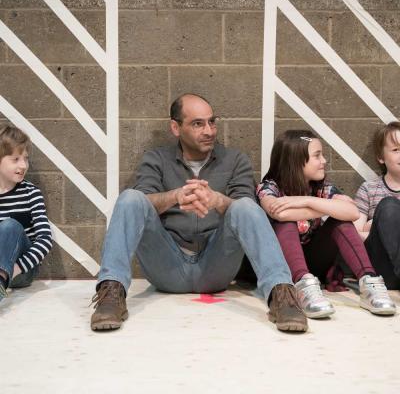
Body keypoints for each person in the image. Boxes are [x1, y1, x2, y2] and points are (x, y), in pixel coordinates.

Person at [90, 94, 308, 332]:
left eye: (212, 122)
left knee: (245, 206)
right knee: (130, 198)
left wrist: (217, 200)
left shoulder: (235, 160)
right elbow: (143, 200)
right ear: (176, 127)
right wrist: (176, 196)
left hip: (216, 266)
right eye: (198, 124)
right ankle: (111, 294)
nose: (209, 130)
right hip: (166, 265)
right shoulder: (156, 159)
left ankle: (283, 296)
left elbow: (246, 210)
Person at [256, 129, 395, 319]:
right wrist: (328, 206)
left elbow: (352, 212)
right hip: (283, 266)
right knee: (287, 223)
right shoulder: (268, 187)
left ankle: (368, 282)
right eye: (317, 156)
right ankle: (303, 287)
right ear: (296, 160)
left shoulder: (322, 187)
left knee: (340, 220)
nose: (324, 161)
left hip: (315, 260)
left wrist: (306, 201)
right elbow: (279, 213)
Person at [0, 125, 53, 302]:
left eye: (26, 159)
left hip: (21, 271)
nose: (23, 165)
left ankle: (1, 280)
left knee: (10, 226)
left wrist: (13, 269)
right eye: (15, 159)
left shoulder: (31, 193)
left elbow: (45, 240)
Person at [354, 121, 400, 289]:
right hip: (384, 270)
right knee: (389, 207)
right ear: (381, 157)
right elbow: (354, 235)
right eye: (396, 150)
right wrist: (379, 229)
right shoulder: (369, 189)